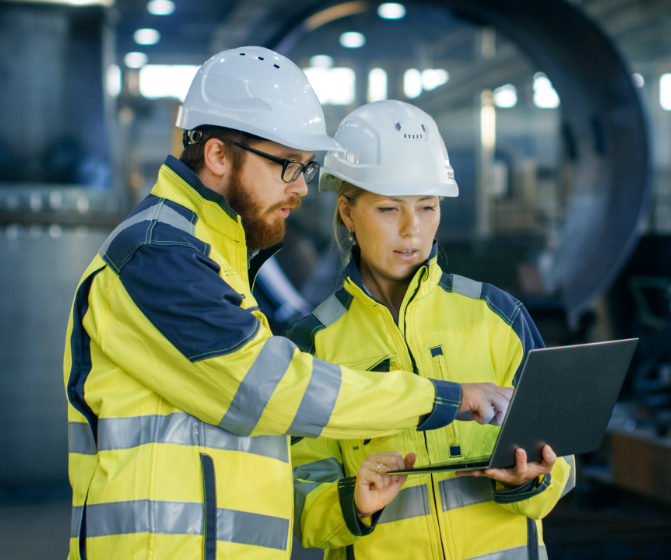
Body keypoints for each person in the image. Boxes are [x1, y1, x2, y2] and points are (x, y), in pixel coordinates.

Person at [63, 48, 513, 560]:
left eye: (305, 166)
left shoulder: (213, 254)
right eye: (287, 165)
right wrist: (440, 398)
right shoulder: (157, 254)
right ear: (217, 155)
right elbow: (267, 389)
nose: (301, 187)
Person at [288, 100, 576, 560]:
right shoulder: (313, 346)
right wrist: (354, 504)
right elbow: (300, 498)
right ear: (347, 213)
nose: (412, 230)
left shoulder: (498, 316)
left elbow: (562, 454)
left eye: (427, 206)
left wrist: (535, 477)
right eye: (388, 209)